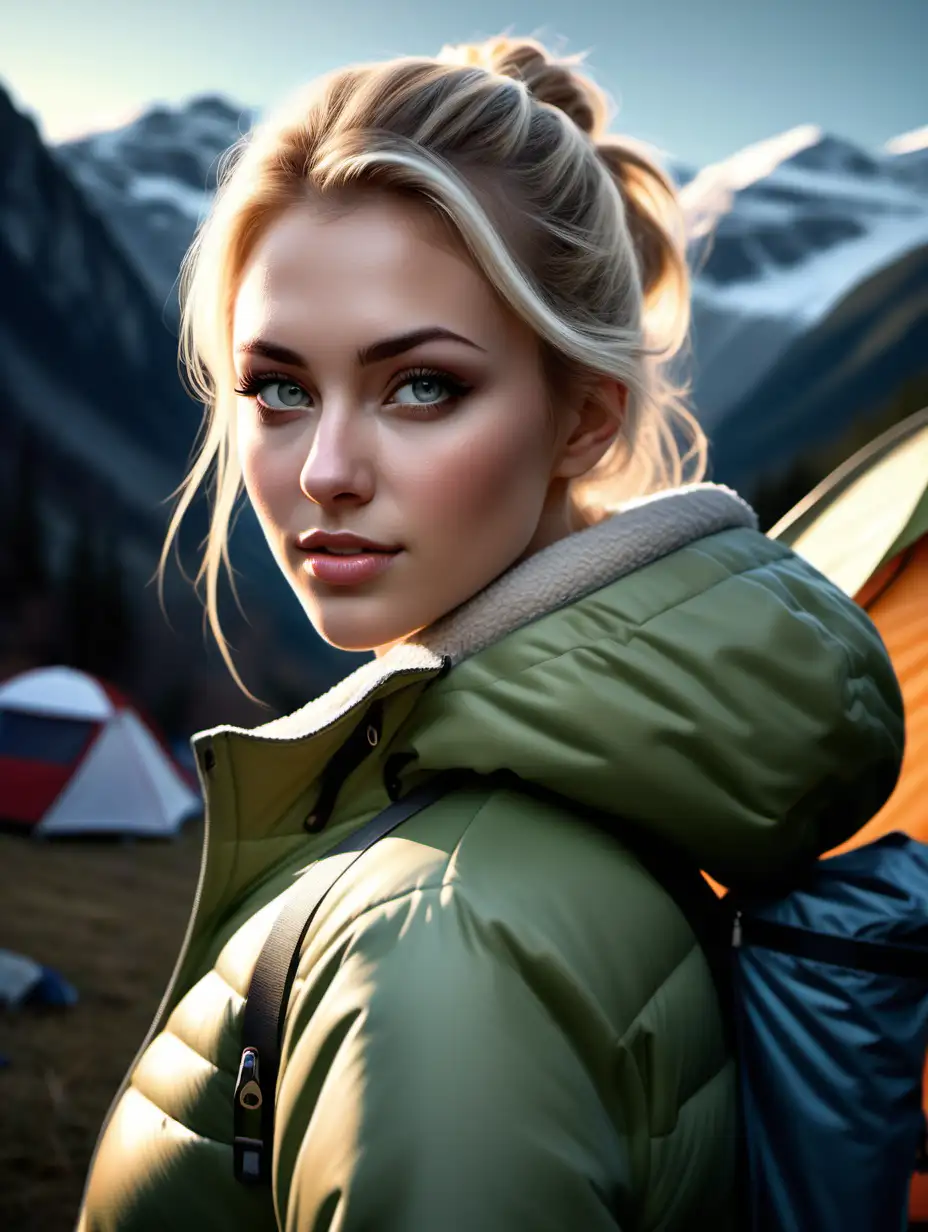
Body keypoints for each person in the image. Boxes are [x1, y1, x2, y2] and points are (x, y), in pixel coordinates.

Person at [75, 34, 904, 1232]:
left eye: (421, 386)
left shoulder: (442, 944)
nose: (325, 471)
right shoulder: (589, 794)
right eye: (279, 386)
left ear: (582, 417)